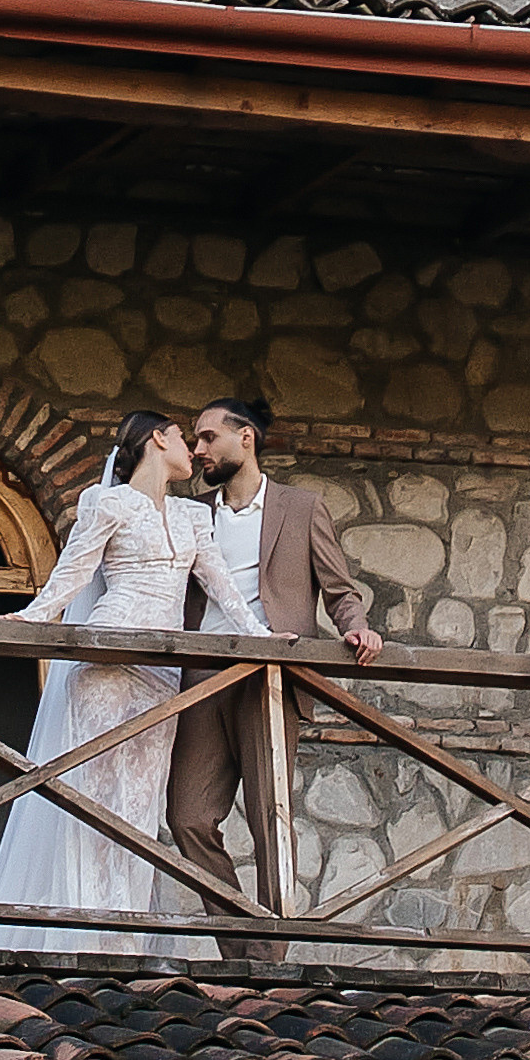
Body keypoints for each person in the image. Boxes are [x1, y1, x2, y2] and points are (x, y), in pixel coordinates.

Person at [0, 413, 255, 957]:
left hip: (161, 673)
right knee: (91, 803)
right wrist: (33, 617)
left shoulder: (194, 516)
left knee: (139, 810)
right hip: (104, 657)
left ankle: (120, 943)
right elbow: (73, 573)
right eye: (181, 436)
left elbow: (221, 588)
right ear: (155, 439)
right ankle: (83, 941)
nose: (192, 448)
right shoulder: (107, 504)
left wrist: (262, 635)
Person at [168, 398, 382, 955]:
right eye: (195, 440)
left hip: (270, 679)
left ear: (247, 440)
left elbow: (337, 589)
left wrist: (357, 628)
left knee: (271, 820)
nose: (198, 450)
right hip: (201, 679)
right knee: (188, 817)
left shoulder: (302, 507)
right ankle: (242, 948)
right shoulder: (193, 513)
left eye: (209, 437)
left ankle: (269, 960)